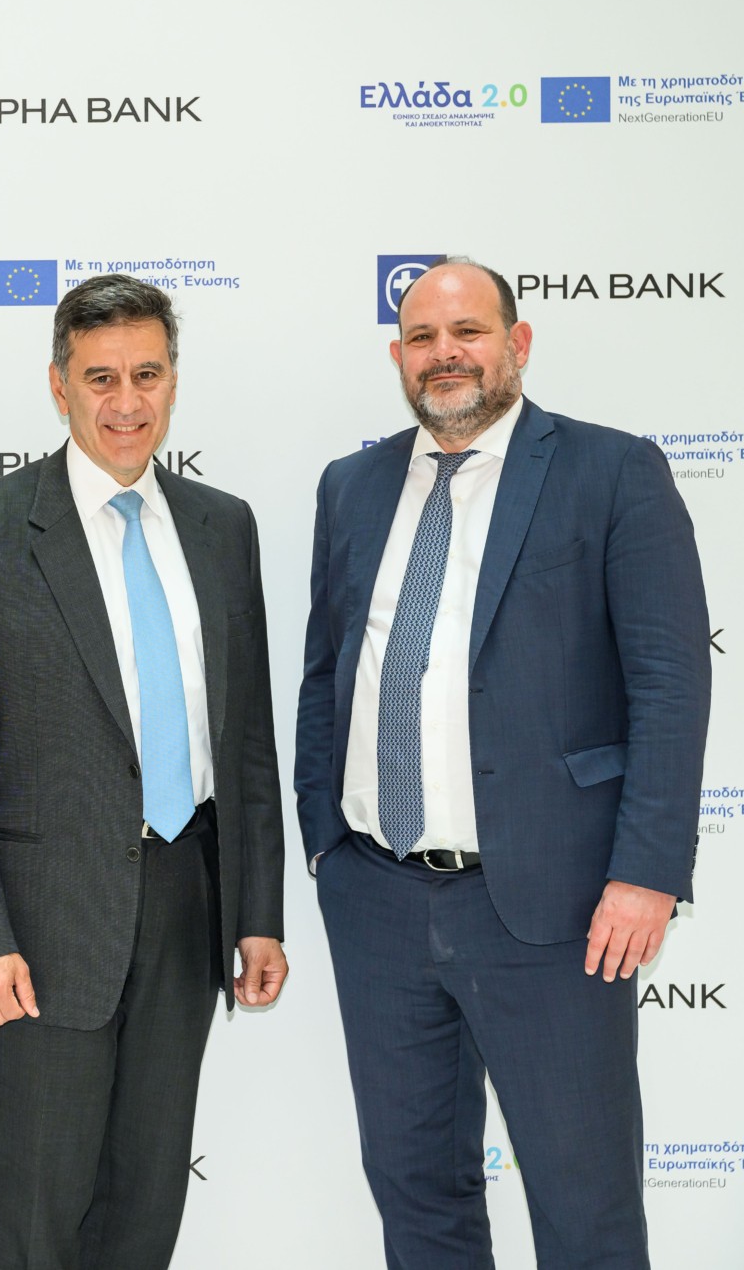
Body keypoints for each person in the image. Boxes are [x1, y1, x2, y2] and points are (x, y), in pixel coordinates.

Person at [294, 258, 710, 1269]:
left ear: (516, 343)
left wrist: (646, 871)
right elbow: (326, 675)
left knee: (583, 1207)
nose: (445, 354)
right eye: (422, 338)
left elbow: (668, 682)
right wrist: (326, 846)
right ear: (398, 357)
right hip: (378, 899)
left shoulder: (611, 471)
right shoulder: (351, 487)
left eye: (467, 332)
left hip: (554, 905)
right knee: (416, 1196)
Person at [0, 274, 288, 1270]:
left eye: (147, 375)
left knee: (146, 1208)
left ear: (174, 381)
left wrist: (256, 912)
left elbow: (247, 743)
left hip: (186, 907)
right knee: (41, 1214)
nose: (127, 402)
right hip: (41, 931)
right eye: (101, 378)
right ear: (58, 386)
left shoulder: (222, 526)